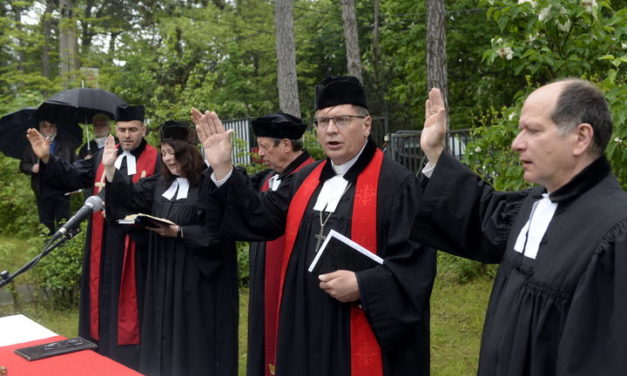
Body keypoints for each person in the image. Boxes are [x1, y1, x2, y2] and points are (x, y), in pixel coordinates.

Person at [195, 76, 436, 376]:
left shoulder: (396, 185)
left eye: (342, 120)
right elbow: (259, 216)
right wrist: (222, 167)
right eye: (322, 122)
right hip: (304, 321)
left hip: (356, 328)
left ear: (366, 124)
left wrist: (364, 285)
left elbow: (415, 266)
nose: (331, 130)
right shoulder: (305, 179)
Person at [414, 79, 627, 375]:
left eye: (534, 130)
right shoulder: (537, 199)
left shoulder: (615, 234)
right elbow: (482, 213)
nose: (517, 143)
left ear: (581, 137)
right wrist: (436, 153)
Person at [25, 105, 159, 370]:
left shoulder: (156, 159)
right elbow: (74, 175)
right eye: (122, 130)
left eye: (133, 129)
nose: (127, 135)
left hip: (138, 247)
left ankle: (133, 363)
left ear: (144, 129)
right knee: (102, 302)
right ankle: (101, 357)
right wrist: (48, 158)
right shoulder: (103, 155)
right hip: (104, 242)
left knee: (133, 311)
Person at [102, 121, 238, 376]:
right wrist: (110, 168)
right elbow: (127, 200)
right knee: (161, 332)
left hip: (195, 281)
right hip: (162, 275)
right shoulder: (160, 184)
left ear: (188, 153)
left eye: (173, 154)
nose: (168, 160)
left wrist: (181, 232)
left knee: (191, 336)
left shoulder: (210, 186)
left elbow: (223, 230)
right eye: (164, 153)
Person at [246, 113, 314, 376]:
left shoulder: (311, 177)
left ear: (286, 144)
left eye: (265, 146)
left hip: (295, 282)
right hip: (265, 280)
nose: (260, 154)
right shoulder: (268, 178)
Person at [20, 120, 76, 234]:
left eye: (51, 126)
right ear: (39, 129)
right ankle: (48, 247)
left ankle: (64, 247)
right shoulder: (31, 146)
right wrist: (32, 168)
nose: (48, 129)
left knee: (64, 221)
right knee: (46, 222)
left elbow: (75, 165)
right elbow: (23, 165)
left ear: (56, 128)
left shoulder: (66, 145)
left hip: (62, 189)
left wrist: (74, 184)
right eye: (44, 126)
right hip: (42, 190)